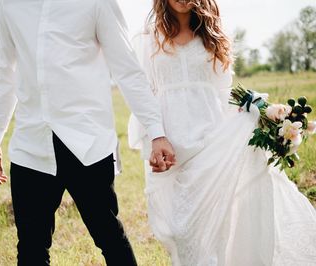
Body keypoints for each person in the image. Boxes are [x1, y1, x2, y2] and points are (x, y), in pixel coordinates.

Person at [0, 0, 176, 265]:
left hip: (87, 142)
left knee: (109, 236)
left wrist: (156, 132)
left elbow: (127, 70)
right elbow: (6, 71)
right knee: (31, 246)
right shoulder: (10, 6)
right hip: (31, 144)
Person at [128, 0, 316, 265]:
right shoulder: (147, 40)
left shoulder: (214, 38)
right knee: (175, 229)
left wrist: (259, 112)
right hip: (170, 146)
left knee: (211, 227)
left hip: (212, 142)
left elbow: (222, 94)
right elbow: (143, 94)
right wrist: (153, 138)